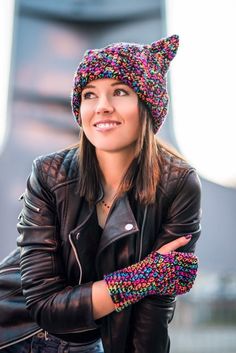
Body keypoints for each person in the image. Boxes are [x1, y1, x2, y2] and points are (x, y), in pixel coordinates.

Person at [14, 34, 201, 353]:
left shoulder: (178, 183)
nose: (102, 107)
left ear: (147, 106)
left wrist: (153, 283)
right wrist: (144, 277)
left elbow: (154, 310)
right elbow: (45, 305)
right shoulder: (48, 174)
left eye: (119, 91)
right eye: (89, 95)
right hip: (19, 334)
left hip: (92, 342)